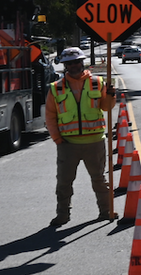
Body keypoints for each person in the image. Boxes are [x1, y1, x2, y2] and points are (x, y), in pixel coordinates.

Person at [46, 46, 115, 227]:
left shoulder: (97, 82)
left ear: (82, 62)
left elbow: (106, 107)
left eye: (76, 62)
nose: (74, 65)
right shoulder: (56, 88)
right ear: (64, 65)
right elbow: (50, 116)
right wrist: (57, 139)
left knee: (99, 180)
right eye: (69, 63)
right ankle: (62, 215)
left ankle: (106, 211)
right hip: (68, 144)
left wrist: (111, 95)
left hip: (95, 142)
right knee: (64, 183)